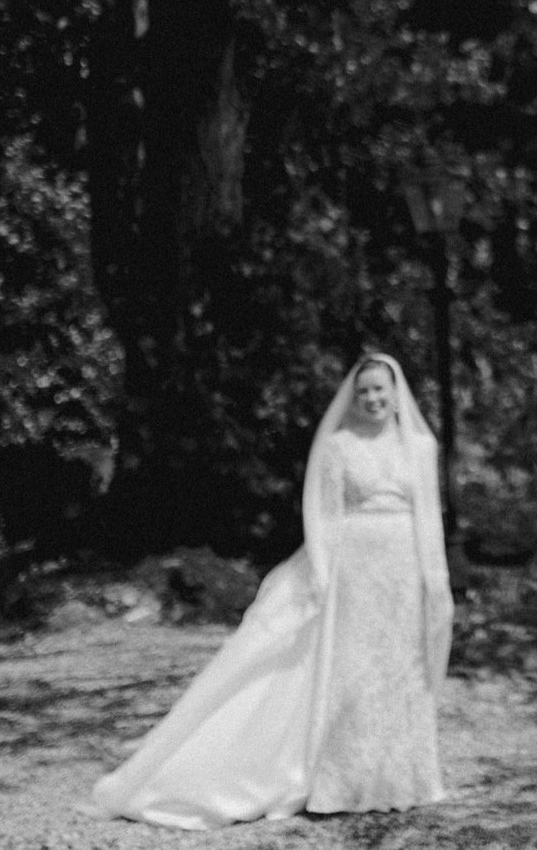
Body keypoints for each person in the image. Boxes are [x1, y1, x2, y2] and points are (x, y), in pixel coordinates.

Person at [90, 353, 452, 828]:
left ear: (397, 393)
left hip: (404, 567)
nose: (372, 399)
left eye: (380, 389)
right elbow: (321, 514)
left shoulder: (419, 448)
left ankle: (403, 779)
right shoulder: (339, 446)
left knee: (399, 668)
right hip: (355, 567)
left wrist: (435, 579)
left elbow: (430, 518)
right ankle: (345, 780)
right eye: (363, 391)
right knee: (355, 667)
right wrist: (322, 571)